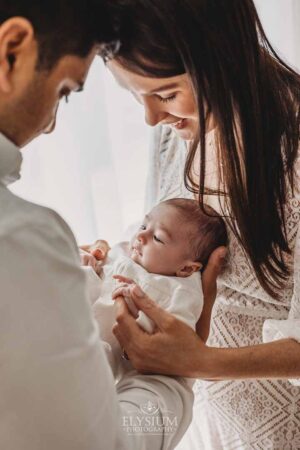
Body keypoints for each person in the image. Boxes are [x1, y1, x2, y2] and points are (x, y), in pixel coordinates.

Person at [85, 0, 300, 448]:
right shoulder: (175, 131)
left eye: (164, 94)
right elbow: (162, 235)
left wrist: (201, 360)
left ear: (224, 56)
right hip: (203, 414)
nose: (151, 117)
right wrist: (113, 259)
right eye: (134, 94)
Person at [0, 2, 195, 450]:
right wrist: (170, 375)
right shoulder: (21, 239)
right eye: (65, 90)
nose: (50, 125)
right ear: (12, 51)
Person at [81, 198, 227, 377]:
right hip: (71, 314)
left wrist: (141, 319)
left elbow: (179, 341)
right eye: (143, 226)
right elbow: (97, 256)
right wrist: (90, 260)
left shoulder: (181, 292)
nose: (141, 236)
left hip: (99, 353)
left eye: (158, 238)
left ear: (186, 268)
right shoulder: (126, 250)